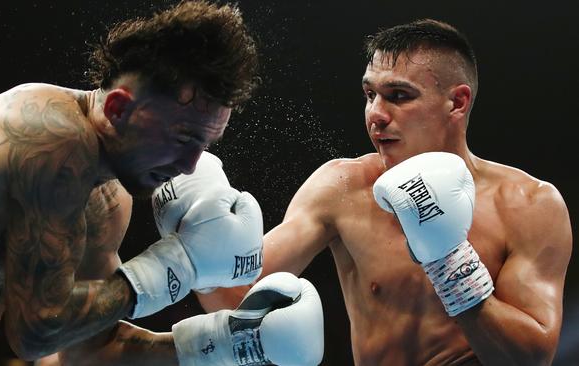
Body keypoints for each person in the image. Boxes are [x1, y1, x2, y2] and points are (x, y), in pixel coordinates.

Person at [0, 1, 324, 365]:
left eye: (203, 145)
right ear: (118, 108)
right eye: (183, 138)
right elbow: (34, 331)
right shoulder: (49, 137)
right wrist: (177, 265)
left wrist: (229, 342)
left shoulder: (109, 200)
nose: (189, 166)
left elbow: (86, 349)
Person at [195, 19, 573, 365]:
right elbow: (234, 301)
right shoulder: (342, 188)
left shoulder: (529, 204)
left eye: (398, 95)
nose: (375, 113)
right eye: (369, 94)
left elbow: (532, 357)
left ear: (457, 102)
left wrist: (450, 265)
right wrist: (197, 248)